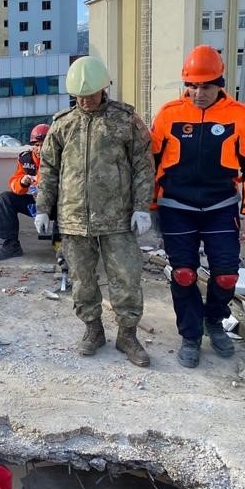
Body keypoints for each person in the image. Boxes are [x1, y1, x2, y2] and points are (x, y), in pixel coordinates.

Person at [36, 56, 155, 368]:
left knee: (127, 278)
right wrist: (43, 209)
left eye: (90, 95)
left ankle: (127, 335)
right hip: (74, 218)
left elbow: (144, 164)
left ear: (105, 88)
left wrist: (143, 207)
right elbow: (48, 170)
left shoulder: (125, 120)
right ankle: (93, 330)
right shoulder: (62, 125)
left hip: (117, 217)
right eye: (79, 96)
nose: (85, 101)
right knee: (81, 279)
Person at [151, 45, 245, 368]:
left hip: (220, 205)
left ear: (220, 83)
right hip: (176, 205)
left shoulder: (239, 115)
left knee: (227, 274)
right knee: (184, 273)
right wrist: (149, 206)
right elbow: (150, 162)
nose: (199, 93)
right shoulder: (169, 114)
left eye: (206, 86)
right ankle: (190, 334)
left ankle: (214, 320)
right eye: (193, 86)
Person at [0, 124, 50, 261]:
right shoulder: (26, 159)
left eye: (44, 144)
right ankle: (11, 245)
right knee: (5, 199)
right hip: (34, 202)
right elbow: (14, 183)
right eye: (36, 144)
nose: (40, 149)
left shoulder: (61, 158)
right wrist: (22, 182)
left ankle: (64, 245)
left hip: (55, 203)